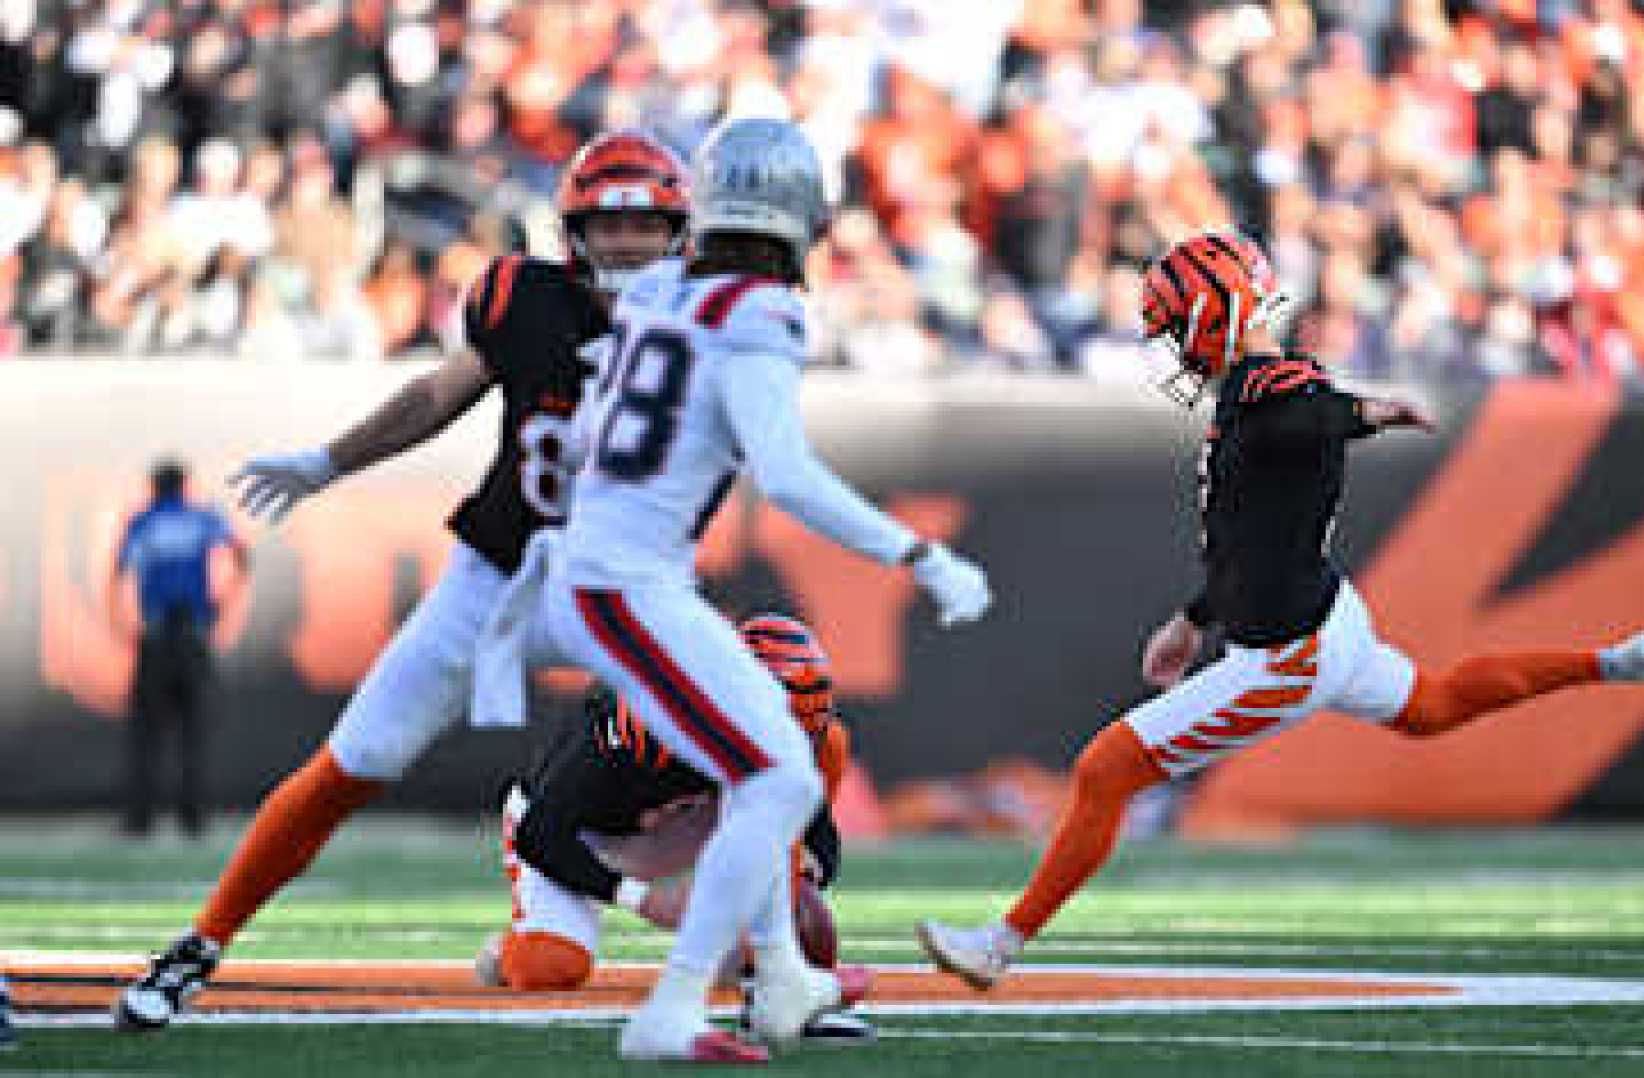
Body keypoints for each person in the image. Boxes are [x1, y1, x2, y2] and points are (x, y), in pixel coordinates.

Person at [914, 231, 1644, 989]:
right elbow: (1252, 529)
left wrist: (1368, 413)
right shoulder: (1251, 389)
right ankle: (1616, 660)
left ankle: (1000, 944)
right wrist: (1194, 619)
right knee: (1434, 704)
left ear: (1213, 317)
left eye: (1174, 326)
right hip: (1327, 615)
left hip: (1288, 655)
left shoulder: (1270, 384)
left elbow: (1311, 410)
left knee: (1103, 772)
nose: (1169, 345)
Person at [113, 131, 693, 1032]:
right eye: (608, 227)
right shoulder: (524, 298)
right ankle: (202, 941)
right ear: (572, 231)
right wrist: (326, 462)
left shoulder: (711, 328)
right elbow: (434, 397)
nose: (627, 245)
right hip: (499, 578)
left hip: (627, 591)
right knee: (354, 764)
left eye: (646, 227)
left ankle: (786, 966)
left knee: (763, 732)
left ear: (679, 232)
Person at [478, 118, 991, 1063]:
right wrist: (921, 558)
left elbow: (594, 427)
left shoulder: (659, 292)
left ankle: (783, 978)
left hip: (609, 568)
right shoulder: (760, 311)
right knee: (776, 774)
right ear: (804, 216)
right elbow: (788, 476)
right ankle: (672, 1012)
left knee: (776, 770)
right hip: (624, 587)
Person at [476, 614, 871, 1040]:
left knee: (783, 832)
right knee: (550, 966)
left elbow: (817, 836)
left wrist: (802, 882)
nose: (778, 742)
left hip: (687, 824)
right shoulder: (648, 720)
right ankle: (505, 953)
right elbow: (540, 832)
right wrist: (645, 899)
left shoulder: (818, 743)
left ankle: (776, 977)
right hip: (585, 832)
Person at [109, 457, 251, 839]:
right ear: (184, 484)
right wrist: (224, 600)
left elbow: (119, 571)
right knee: (194, 732)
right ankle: (194, 819)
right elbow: (241, 554)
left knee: (147, 734)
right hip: (193, 635)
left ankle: (141, 820)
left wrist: (123, 624)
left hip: (156, 637)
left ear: (154, 485)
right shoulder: (202, 517)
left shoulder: (144, 520)